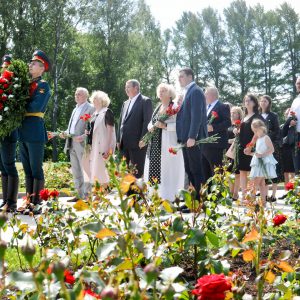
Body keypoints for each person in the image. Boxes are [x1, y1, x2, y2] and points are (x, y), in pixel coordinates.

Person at [18, 50, 51, 212]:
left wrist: (17, 106)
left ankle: (37, 202)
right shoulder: (25, 84)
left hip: (35, 131)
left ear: (42, 68)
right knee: (27, 169)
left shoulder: (43, 85)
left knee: (36, 168)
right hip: (23, 132)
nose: (30, 65)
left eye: (34, 63)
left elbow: (36, 106)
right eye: (30, 63)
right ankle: (29, 201)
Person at [142, 83, 185, 201]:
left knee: (168, 170)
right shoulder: (158, 106)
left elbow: (181, 125)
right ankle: (156, 195)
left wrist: (165, 126)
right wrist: (150, 126)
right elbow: (152, 121)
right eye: (159, 91)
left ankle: (170, 196)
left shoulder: (175, 107)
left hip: (169, 143)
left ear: (170, 93)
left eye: (164, 90)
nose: (161, 93)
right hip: (155, 143)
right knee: (156, 169)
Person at [176, 67, 207, 200]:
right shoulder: (188, 91)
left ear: (190, 77)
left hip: (193, 139)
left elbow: (196, 116)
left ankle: (199, 201)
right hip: (186, 138)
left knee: (196, 170)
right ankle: (193, 200)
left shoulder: (195, 91)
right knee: (189, 170)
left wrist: (192, 136)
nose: (179, 79)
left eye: (182, 76)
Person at [63, 87, 95, 201]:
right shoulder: (75, 109)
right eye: (76, 94)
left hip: (83, 144)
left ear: (86, 96)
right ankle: (79, 195)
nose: (76, 96)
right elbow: (71, 127)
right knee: (76, 170)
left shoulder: (91, 108)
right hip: (71, 142)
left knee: (85, 170)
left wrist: (84, 136)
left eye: (79, 94)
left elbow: (94, 128)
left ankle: (87, 196)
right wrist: (65, 133)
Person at [117, 79, 153, 178]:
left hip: (138, 144)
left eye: (128, 87)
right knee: (125, 172)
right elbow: (121, 122)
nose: (126, 89)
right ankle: (129, 193)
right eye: (125, 87)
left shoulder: (145, 101)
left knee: (136, 173)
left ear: (136, 88)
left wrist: (144, 139)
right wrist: (118, 139)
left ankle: (138, 193)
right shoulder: (125, 103)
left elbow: (147, 122)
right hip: (124, 144)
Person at [82, 91, 116, 188]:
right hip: (92, 145)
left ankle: (102, 192)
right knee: (90, 167)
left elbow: (111, 131)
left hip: (102, 145)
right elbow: (93, 129)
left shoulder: (107, 112)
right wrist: (88, 132)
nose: (94, 100)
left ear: (103, 100)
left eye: (97, 98)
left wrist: (108, 148)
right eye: (94, 99)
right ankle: (100, 191)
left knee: (101, 170)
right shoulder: (94, 114)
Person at [0, 55, 19, 212]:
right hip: (1, 132)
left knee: (9, 165)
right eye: (3, 65)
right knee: (3, 166)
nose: (4, 68)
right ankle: (6, 200)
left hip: (9, 132)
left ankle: (12, 202)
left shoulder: (14, 86)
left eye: (7, 66)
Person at [238, 94, 264, 201]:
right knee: (243, 171)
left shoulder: (257, 116)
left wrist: (250, 146)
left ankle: (251, 196)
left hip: (252, 148)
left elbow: (258, 133)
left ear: (254, 102)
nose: (247, 102)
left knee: (253, 172)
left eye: (249, 100)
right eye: (245, 100)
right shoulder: (244, 117)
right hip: (242, 148)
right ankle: (244, 196)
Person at [202, 86, 231, 182]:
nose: (204, 95)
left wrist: (213, 127)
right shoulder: (205, 108)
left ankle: (218, 195)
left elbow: (227, 123)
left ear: (212, 94)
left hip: (216, 144)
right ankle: (207, 195)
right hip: (204, 144)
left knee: (216, 172)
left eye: (206, 93)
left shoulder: (223, 107)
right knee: (205, 172)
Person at [246, 119, 277, 205]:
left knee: (255, 182)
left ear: (262, 128)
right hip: (258, 163)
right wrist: (250, 153)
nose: (255, 133)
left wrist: (262, 155)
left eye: (256, 130)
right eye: (254, 131)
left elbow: (272, 150)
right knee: (261, 184)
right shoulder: (258, 139)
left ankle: (251, 202)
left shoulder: (266, 138)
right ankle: (263, 202)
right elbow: (257, 153)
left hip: (264, 163)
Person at [259, 95, 280, 202]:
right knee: (263, 170)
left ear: (269, 103)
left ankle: (273, 194)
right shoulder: (257, 116)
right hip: (259, 146)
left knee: (272, 169)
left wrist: (266, 137)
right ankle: (265, 194)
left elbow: (277, 131)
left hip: (271, 146)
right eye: (261, 101)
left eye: (265, 101)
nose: (263, 102)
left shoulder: (273, 116)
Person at [226, 106, 244, 201]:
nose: (232, 114)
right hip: (227, 151)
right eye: (231, 112)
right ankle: (231, 191)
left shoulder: (241, 125)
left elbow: (242, 138)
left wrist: (232, 140)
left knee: (237, 173)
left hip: (237, 151)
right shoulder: (228, 124)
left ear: (239, 114)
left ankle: (236, 194)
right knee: (228, 172)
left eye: (235, 113)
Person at [285, 76, 300, 173]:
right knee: (297, 166)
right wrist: (290, 120)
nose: (299, 85)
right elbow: (289, 118)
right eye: (298, 83)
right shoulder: (295, 100)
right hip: (296, 136)